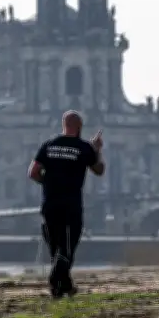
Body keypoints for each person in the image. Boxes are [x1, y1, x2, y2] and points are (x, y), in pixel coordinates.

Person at [28, 110, 105, 299]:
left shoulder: (48, 145)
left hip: (49, 204)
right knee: (68, 246)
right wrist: (97, 151)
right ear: (79, 127)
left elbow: (33, 172)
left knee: (56, 246)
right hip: (71, 204)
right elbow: (99, 170)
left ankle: (63, 288)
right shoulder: (83, 148)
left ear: (63, 125)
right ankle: (56, 280)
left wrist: (47, 183)